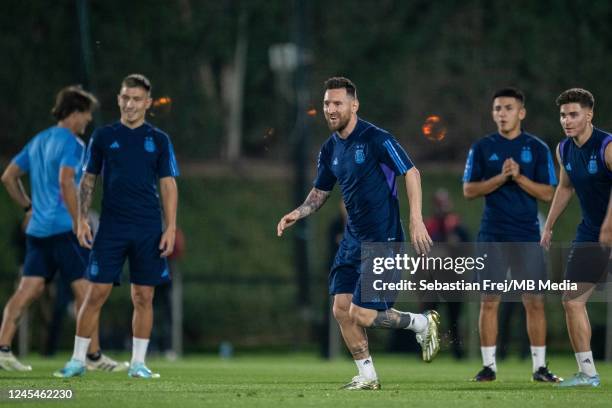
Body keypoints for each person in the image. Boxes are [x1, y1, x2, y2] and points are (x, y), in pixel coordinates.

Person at [277, 77, 439, 390]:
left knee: (363, 314)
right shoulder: (329, 149)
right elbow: (321, 191)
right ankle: (367, 376)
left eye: (337, 103)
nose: (330, 109)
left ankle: (420, 322)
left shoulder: (377, 138)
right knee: (341, 308)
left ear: (354, 105)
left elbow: (412, 172)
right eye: (326, 103)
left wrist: (416, 219)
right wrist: (298, 212)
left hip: (383, 239)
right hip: (353, 238)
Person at [55, 74, 179, 379]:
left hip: (148, 227)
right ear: (119, 99)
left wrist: (171, 227)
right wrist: (82, 219)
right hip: (111, 227)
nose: (130, 104)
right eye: (126, 98)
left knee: (143, 296)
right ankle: (77, 360)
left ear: (148, 103)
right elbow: (88, 180)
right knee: (94, 293)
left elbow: (168, 184)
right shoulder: (103, 136)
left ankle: (138, 363)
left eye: (137, 99)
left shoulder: (159, 139)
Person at [0, 86, 125, 372]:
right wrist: (78, 220)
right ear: (74, 113)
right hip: (63, 230)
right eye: (86, 115)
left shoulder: (38, 141)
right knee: (89, 292)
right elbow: (66, 180)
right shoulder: (72, 144)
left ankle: (3, 349)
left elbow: (8, 177)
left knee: (27, 290)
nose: (88, 121)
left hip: (38, 231)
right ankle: (93, 357)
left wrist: (28, 208)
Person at [463, 87, 560, 382]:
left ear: (521, 112)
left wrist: (518, 177)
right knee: (489, 299)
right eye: (497, 109)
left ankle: (539, 367)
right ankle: (489, 367)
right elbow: (468, 190)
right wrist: (500, 178)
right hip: (492, 233)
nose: (501, 114)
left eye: (507, 108)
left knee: (534, 300)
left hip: (526, 234)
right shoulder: (481, 147)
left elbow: (548, 193)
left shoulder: (537, 147)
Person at [541, 88, 612, 387]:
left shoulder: (607, 146)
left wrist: (609, 226)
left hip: (606, 228)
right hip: (589, 233)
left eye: (573, 114)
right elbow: (565, 187)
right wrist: (549, 226)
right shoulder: (564, 149)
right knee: (571, 300)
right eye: (563, 115)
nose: (567, 120)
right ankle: (588, 373)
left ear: (589, 115)